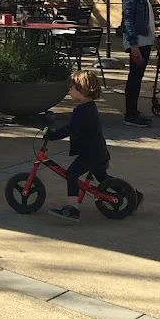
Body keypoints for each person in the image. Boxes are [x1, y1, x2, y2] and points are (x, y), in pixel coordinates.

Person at [46, 70, 117, 222]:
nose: (69, 91)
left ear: (81, 89)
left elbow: (70, 128)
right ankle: (132, 194)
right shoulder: (90, 107)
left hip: (91, 154)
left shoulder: (82, 111)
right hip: (98, 151)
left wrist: (52, 135)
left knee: (71, 174)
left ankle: (72, 209)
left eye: (71, 88)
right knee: (104, 180)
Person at [121, 0, 158, 128]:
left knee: (137, 77)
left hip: (144, 40)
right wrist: (133, 44)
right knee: (135, 77)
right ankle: (130, 113)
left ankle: (133, 111)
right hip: (138, 41)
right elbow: (128, 18)